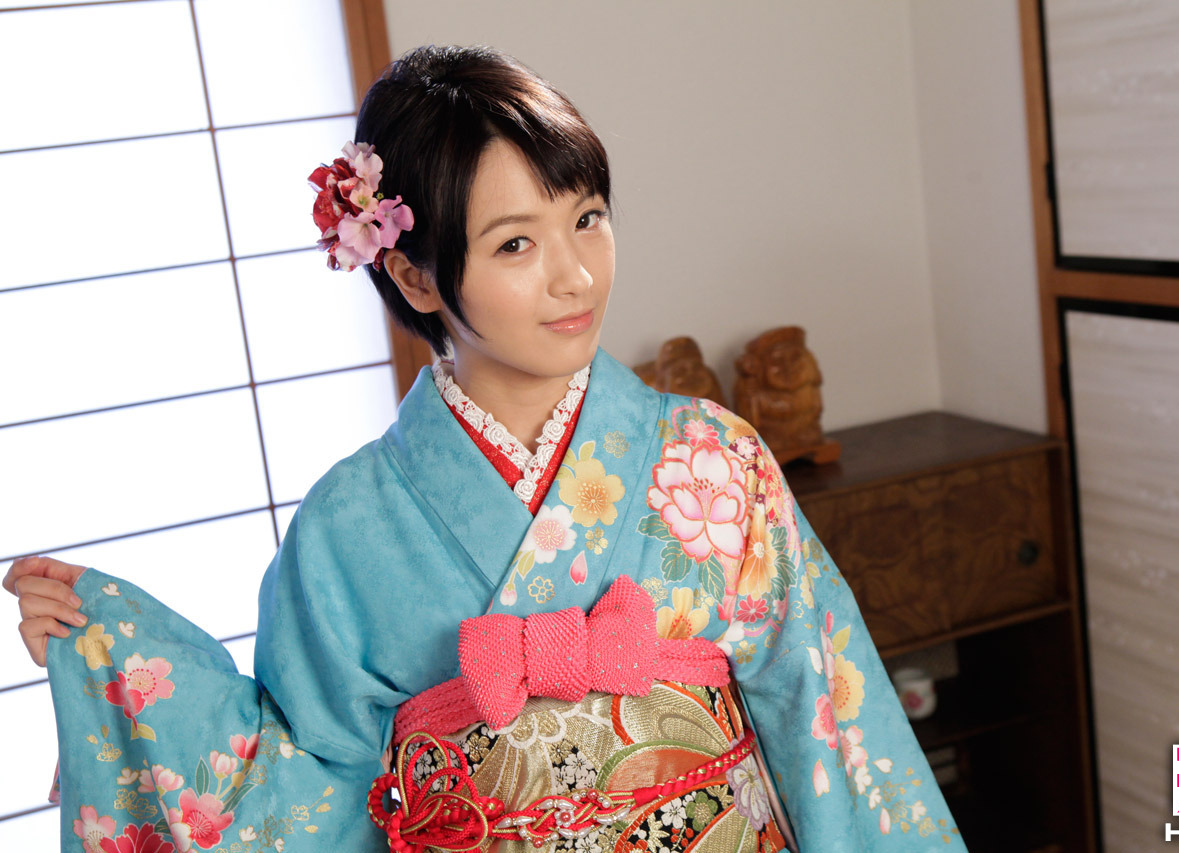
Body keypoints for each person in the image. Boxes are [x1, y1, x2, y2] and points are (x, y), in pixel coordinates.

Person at [4, 45, 965, 852]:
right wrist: (112, 657)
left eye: (587, 218)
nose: (575, 274)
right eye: (515, 244)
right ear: (415, 276)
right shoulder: (347, 526)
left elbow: (829, 721)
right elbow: (303, 796)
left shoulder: (715, 462)